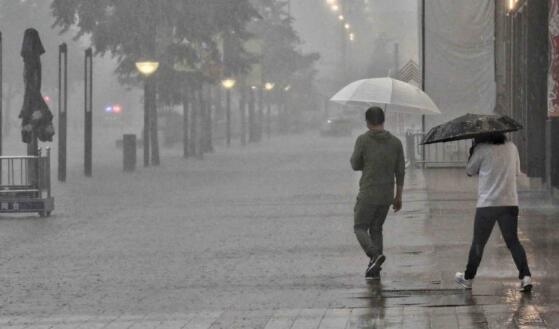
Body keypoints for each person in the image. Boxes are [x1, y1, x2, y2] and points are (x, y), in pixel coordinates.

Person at [455, 132, 532, 292]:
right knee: (513, 242)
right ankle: (525, 277)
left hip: (487, 205)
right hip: (509, 203)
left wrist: (473, 151)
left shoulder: (482, 149)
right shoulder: (512, 148)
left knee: (478, 243)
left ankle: (468, 278)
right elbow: (517, 172)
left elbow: (470, 170)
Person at [351, 107, 405, 280]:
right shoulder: (396, 143)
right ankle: (375, 268)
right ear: (383, 120)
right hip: (387, 195)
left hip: (368, 192)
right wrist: (398, 196)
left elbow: (355, 164)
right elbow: (401, 171)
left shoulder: (363, 140)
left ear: (367, 122)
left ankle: (374, 255)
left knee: (360, 227)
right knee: (376, 228)